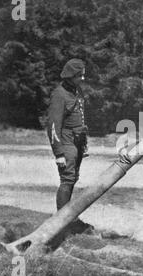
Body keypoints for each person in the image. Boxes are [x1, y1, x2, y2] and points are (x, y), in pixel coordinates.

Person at [46, 58, 91, 229]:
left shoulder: (76, 90)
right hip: (66, 142)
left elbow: (79, 117)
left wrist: (83, 143)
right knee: (67, 179)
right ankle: (61, 222)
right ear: (70, 76)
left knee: (72, 179)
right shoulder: (60, 94)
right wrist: (59, 153)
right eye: (79, 75)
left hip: (77, 142)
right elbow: (52, 126)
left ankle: (68, 218)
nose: (82, 78)